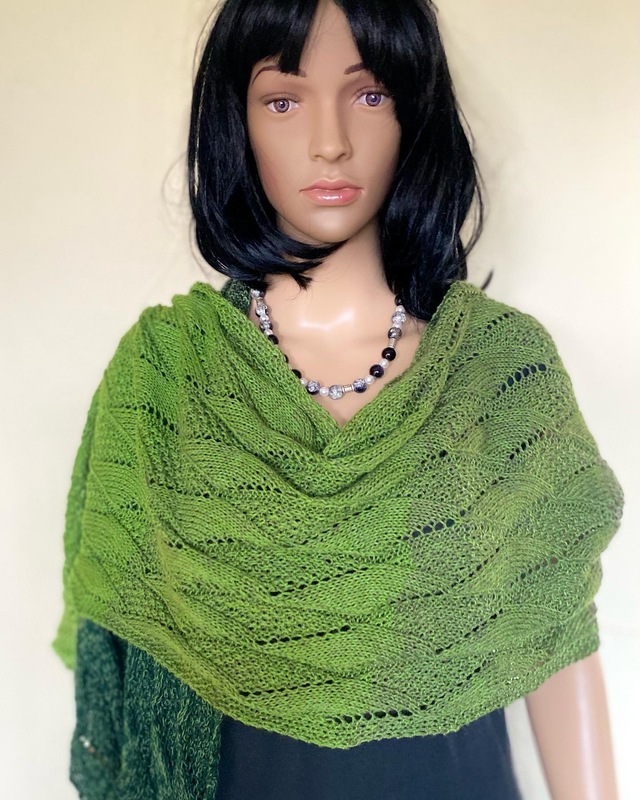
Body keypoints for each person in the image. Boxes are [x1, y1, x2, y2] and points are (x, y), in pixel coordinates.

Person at [51, 1, 625, 798]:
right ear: (237, 125)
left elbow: (554, 635)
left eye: (369, 94)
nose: (330, 141)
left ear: (414, 114)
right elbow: (128, 644)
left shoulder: (497, 375)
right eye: (283, 100)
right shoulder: (166, 378)